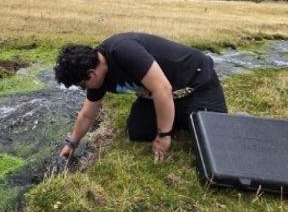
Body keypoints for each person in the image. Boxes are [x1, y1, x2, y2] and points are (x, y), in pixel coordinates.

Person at [53, 32, 227, 163]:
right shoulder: (98, 76)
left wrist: (163, 136)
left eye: (83, 85)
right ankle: (177, 118)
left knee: (216, 141)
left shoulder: (122, 50)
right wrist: (72, 144)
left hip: (196, 84)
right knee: (137, 132)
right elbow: (87, 114)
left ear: (91, 73)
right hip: (159, 96)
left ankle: (183, 119)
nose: (84, 89)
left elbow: (162, 88)